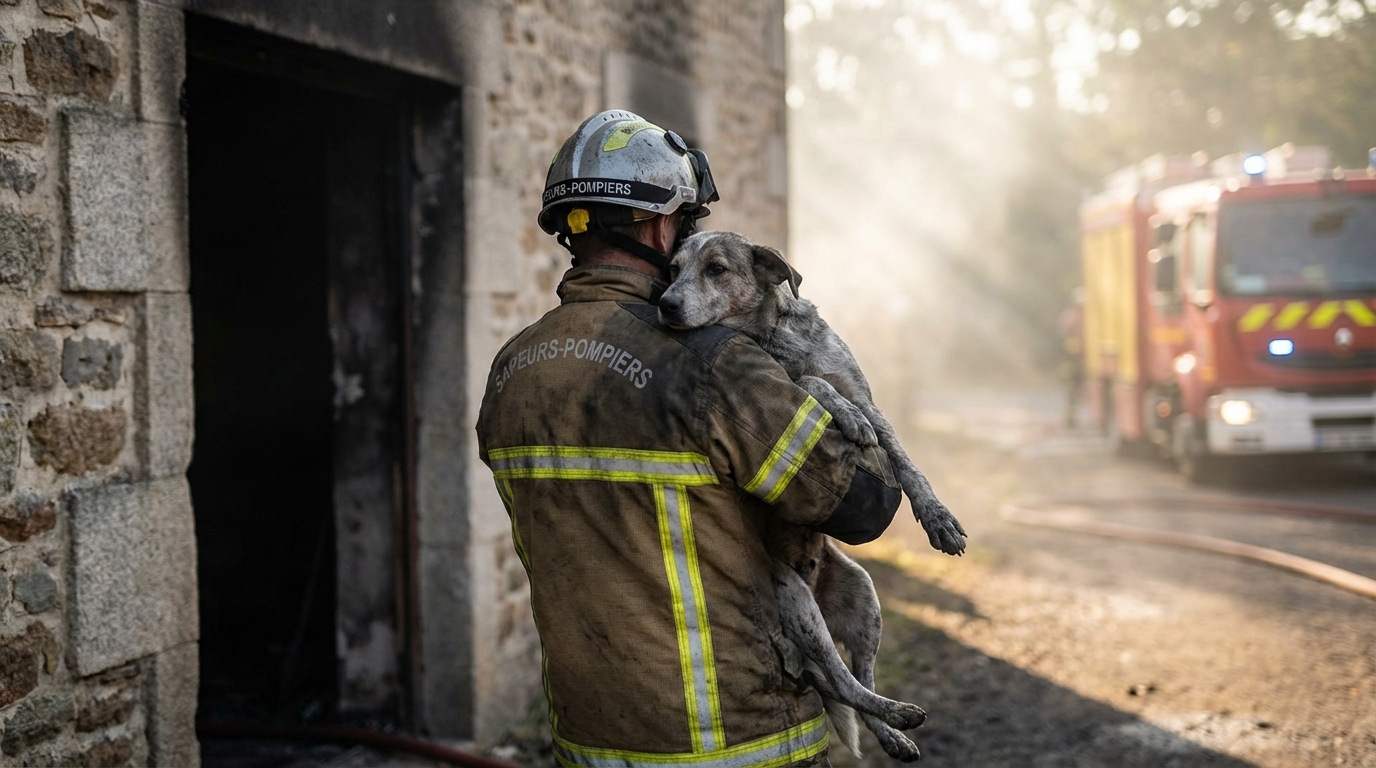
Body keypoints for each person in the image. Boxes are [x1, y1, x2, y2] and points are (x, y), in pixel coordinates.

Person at [476, 110, 903, 767]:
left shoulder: (512, 369)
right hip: (741, 743)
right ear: (656, 223)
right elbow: (864, 505)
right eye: (687, 220)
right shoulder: (715, 365)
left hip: (590, 747)